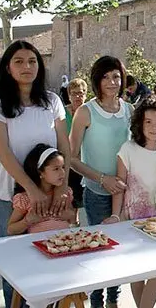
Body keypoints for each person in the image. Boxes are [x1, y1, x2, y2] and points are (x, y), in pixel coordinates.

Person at [0, 40, 70, 308]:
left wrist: (61, 189)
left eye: (32, 61)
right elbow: (2, 150)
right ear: (8, 68)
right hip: (7, 197)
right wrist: (31, 190)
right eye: (19, 61)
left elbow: (64, 147)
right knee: (15, 271)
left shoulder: (52, 101)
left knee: (51, 264)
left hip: (49, 197)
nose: (27, 66)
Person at [106, 97, 156, 308]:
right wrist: (116, 215)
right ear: (140, 123)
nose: (154, 127)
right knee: (137, 271)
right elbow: (120, 185)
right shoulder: (128, 149)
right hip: (134, 218)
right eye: (148, 121)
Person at [69, 56, 132, 308]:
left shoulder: (130, 110)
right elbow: (72, 159)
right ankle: (96, 301)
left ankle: (113, 300)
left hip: (124, 193)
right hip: (96, 192)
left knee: (117, 250)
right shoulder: (86, 112)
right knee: (97, 250)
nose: (112, 81)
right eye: (106, 76)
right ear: (97, 80)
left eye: (116, 76)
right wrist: (102, 179)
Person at [7, 144, 76, 235]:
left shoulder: (64, 194)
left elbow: (73, 220)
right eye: (56, 169)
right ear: (40, 172)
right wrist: (27, 221)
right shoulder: (25, 199)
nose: (62, 172)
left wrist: (70, 215)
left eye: (63, 167)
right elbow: (11, 230)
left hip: (63, 244)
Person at [65, 78, 87, 220]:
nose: (78, 97)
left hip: (86, 162)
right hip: (67, 163)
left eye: (81, 93)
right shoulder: (62, 113)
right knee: (70, 201)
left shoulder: (89, 112)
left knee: (85, 200)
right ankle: (73, 227)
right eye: (74, 94)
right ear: (69, 95)